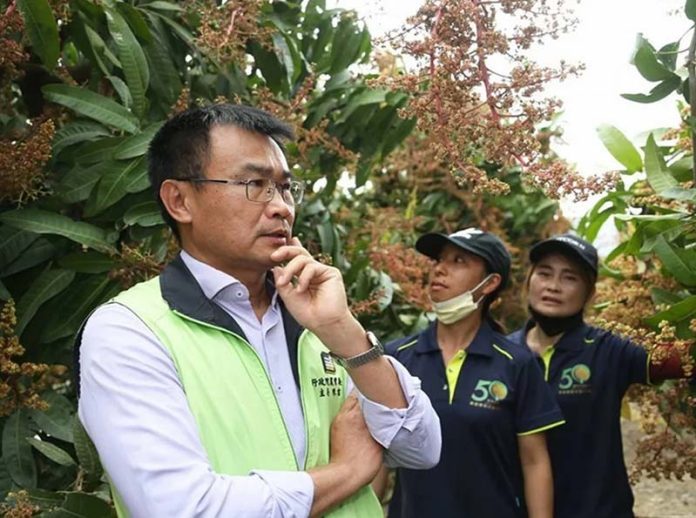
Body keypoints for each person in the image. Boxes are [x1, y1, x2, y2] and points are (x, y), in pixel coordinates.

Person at [75, 104, 441, 517]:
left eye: (285, 188)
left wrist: (343, 329)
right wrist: (348, 470)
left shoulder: (315, 316)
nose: (281, 207)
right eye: (254, 184)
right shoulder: (131, 331)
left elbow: (421, 448)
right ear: (179, 201)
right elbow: (184, 509)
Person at [508, 232, 692, 518]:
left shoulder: (608, 349)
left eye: (570, 278)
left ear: (590, 293)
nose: (553, 286)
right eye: (544, 273)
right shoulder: (501, 354)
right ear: (528, 280)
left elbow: (680, 360)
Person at [386, 228, 565, 518]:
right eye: (439, 260)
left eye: (458, 261)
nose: (440, 269)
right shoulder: (397, 358)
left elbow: (534, 462)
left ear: (490, 283)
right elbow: (378, 456)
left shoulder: (516, 363)